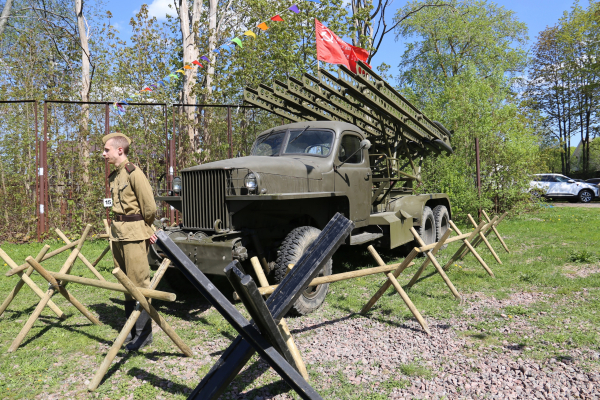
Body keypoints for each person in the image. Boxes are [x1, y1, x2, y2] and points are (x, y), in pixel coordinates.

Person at [102, 132, 158, 351]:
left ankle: (144, 335)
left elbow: (150, 208)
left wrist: (147, 228)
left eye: (106, 150)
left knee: (139, 283)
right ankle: (131, 331)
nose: (103, 154)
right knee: (126, 283)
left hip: (134, 234)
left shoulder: (134, 173)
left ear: (119, 150)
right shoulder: (115, 176)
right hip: (118, 233)